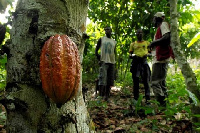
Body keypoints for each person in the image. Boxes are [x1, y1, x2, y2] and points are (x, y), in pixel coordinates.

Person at [148, 12, 174, 107]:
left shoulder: (163, 25)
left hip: (160, 60)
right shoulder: (160, 28)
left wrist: (153, 43)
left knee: (155, 82)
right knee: (161, 83)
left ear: (158, 18)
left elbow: (167, 37)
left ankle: (162, 104)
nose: (153, 21)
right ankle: (165, 105)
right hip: (161, 58)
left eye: (154, 19)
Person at [129, 29, 151, 105]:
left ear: (143, 34)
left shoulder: (147, 43)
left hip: (144, 62)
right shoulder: (133, 44)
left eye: (141, 33)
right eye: (138, 33)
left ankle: (148, 100)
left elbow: (150, 53)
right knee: (136, 81)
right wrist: (134, 56)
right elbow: (130, 55)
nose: (139, 34)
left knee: (146, 81)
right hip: (136, 63)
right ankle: (136, 99)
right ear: (136, 34)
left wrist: (147, 55)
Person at [95, 26, 117, 101]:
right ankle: (100, 96)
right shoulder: (101, 39)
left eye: (108, 29)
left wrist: (115, 62)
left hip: (112, 62)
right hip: (104, 61)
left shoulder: (114, 41)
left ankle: (107, 96)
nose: (107, 31)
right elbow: (96, 49)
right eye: (105, 30)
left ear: (111, 31)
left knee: (110, 80)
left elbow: (114, 52)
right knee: (102, 78)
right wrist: (98, 57)